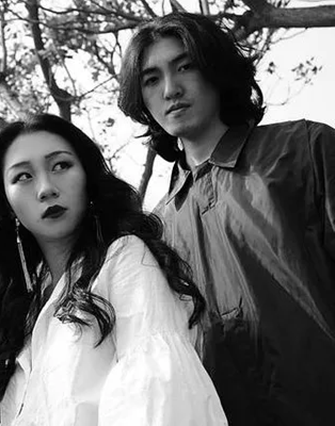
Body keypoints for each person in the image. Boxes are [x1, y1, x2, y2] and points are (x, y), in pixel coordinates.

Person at [118, 12, 335, 426]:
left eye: (185, 66)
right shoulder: (156, 230)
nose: (170, 89)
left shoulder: (303, 149)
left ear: (215, 69)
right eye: (151, 79)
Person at [0, 113, 227, 426]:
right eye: (23, 176)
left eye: (61, 166)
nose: (46, 188)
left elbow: (159, 399)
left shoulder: (124, 258)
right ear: (7, 202)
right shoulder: (25, 308)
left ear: (87, 176)